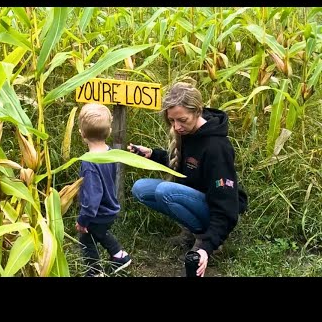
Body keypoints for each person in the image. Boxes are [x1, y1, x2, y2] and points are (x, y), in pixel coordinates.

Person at [128, 82, 247, 277]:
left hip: (215, 208)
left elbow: (226, 206)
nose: (176, 126)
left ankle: (202, 237)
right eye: (172, 121)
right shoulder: (188, 132)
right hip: (197, 198)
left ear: (197, 111)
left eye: (182, 120)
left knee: (165, 192)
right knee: (140, 188)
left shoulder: (217, 147)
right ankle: (190, 232)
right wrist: (153, 154)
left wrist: (207, 247)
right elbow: (186, 165)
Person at [76, 103, 131, 277]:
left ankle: (95, 270)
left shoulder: (89, 162)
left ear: (82, 134)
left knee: (87, 239)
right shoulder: (110, 152)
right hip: (110, 207)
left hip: (97, 212)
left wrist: (83, 219)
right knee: (98, 234)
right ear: (108, 132)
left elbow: (93, 196)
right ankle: (117, 257)